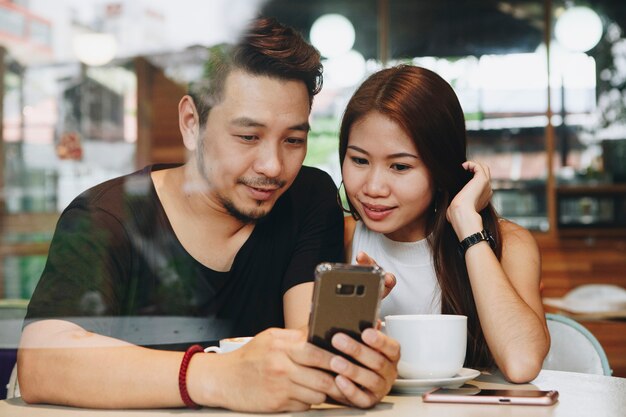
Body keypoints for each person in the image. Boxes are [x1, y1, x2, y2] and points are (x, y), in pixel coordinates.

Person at [17, 18, 399, 412]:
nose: (273, 165)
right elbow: (41, 363)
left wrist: (352, 365)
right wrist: (218, 376)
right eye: (248, 136)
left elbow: (306, 346)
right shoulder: (106, 218)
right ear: (191, 123)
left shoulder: (307, 197)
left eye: (293, 140)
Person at [340, 64, 549, 383]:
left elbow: (522, 363)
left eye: (399, 166)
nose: (374, 187)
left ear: (439, 168)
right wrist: (356, 308)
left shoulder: (508, 244)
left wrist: (467, 224)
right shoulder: (341, 238)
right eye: (359, 160)